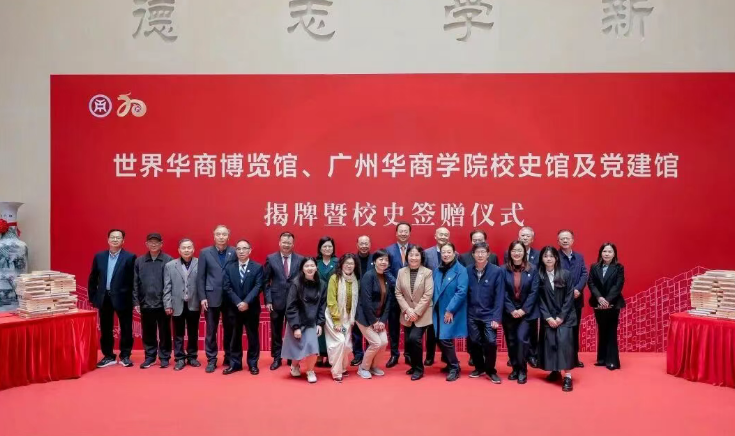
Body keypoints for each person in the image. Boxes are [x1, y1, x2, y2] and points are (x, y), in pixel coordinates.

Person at [87, 229, 136, 368]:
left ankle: (125, 355)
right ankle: (108, 356)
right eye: (112, 237)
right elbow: (93, 277)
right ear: (108, 240)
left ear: (123, 241)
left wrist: (134, 299)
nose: (115, 240)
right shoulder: (99, 257)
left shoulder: (130, 257)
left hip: (123, 297)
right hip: (104, 298)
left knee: (126, 328)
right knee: (106, 328)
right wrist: (93, 297)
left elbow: (133, 280)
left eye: (118, 238)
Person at [197, 225, 237, 373]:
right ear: (214, 236)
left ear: (228, 236)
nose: (221, 237)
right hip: (211, 296)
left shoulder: (234, 252)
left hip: (229, 297)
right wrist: (202, 297)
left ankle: (229, 356)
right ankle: (211, 359)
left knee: (230, 329)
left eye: (224, 234)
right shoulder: (205, 252)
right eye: (218, 234)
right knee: (211, 330)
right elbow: (201, 277)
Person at [537, 246, 577, 392]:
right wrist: (548, 317)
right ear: (541, 259)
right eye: (545, 256)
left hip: (566, 317)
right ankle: (555, 370)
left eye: (551, 256)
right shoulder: (538, 275)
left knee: (564, 344)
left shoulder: (566, 274)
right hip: (548, 317)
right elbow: (538, 299)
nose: (548, 259)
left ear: (556, 258)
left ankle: (567, 376)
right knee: (551, 344)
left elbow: (569, 297)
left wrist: (561, 317)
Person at [222, 239, 264, 375]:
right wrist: (238, 302)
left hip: (251, 308)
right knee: (234, 336)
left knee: (253, 337)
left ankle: (253, 364)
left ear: (250, 250)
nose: (241, 251)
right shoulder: (229, 267)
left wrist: (246, 302)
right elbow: (227, 287)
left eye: (244, 248)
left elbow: (258, 286)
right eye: (238, 249)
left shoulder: (257, 267)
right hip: (234, 308)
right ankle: (235, 364)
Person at [263, 232, 304, 370]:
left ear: (293, 244)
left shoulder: (300, 259)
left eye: (289, 243)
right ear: (279, 243)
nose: (286, 245)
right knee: (276, 331)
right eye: (284, 242)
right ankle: (277, 357)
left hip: (294, 301)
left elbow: (302, 281)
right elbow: (265, 281)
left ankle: (291, 357)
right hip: (276, 301)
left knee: (293, 330)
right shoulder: (271, 258)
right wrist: (268, 300)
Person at [282, 258, 326, 383]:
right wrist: (295, 327)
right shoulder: (296, 283)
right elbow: (291, 306)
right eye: (307, 266)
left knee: (312, 347)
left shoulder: (322, 284)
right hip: (297, 320)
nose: (310, 268)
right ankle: (294, 365)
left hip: (312, 321)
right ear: (302, 268)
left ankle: (310, 371)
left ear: (316, 267)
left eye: (312, 265)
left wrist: (320, 323)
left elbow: (323, 305)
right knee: (297, 348)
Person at [458, 228, 497, 367]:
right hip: (472, 304)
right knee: (473, 337)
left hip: (488, 306)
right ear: (471, 242)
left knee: (489, 339)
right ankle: (475, 358)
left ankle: (488, 363)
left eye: (480, 240)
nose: (477, 242)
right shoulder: (463, 258)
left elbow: (496, 281)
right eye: (475, 240)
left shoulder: (493, 258)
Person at [502, 240, 539, 385]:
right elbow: (502, 292)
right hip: (509, 312)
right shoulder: (503, 269)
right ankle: (515, 369)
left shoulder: (533, 269)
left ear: (524, 253)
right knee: (511, 341)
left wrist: (523, 310)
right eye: (514, 250)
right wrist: (512, 309)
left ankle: (523, 370)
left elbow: (534, 292)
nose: (516, 253)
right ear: (510, 253)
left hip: (526, 312)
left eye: (519, 250)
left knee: (522, 340)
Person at [466, 242, 504, 383]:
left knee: (491, 342)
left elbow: (500, 295)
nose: (480, 255)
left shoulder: (496, 271)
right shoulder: (467, 270)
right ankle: (479, 367)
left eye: (483, 252)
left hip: (489, 315)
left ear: (488, 254)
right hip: (472, 314)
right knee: (474, 342)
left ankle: (490, 370)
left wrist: (496, 317)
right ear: (473, 254)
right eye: (477, 252)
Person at [134, 233, 174, 369]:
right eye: (151, 242)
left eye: (156, 242)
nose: (153, 244)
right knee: (148, 332)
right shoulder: (139, 261)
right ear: (146, 244)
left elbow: (171, 283)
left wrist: (169, 302)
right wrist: (136, 302)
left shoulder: (168, 260)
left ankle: (164, 357)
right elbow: (135, 283)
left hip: (163, 303)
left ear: (161, 244)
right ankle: (150, 357)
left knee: (165, 332)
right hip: (145, 302)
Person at [394, 246, 434, 381]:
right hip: (407, 313)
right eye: (411, 255)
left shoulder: (427, 272)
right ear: (407, 257)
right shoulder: (401, 272)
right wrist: (407, 310)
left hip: (422, 313)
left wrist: (416, 312)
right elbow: (398, 292)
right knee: (408, 342)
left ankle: (419, 369)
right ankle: (414, 365)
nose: (414, 258)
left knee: (414, 339)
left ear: (421, 257)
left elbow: (428, 294)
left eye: (417, 255)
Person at [355, 250, 395, 379]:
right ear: (374, 261)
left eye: (386, 260)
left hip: (379, 317)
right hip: (364, 317)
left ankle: (373, 366)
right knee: (376, 343)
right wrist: (374, 321)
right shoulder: (369, 276)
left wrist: (382, 320)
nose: (384, 262)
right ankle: (363, 368)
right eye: (381, 259)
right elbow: (366, 301)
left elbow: (389, 301)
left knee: (383, 342)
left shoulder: (387, 277)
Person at [163, 238, 201, 371]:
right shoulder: (170, 265)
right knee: (178, 333)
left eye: (189, 247)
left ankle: (192, 356)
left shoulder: (200, 263)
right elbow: (167, 287)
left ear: (193, 249)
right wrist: (167, 304)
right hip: (176, 304)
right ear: (179, 250)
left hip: (194, 302)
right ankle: (179, 358)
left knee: (193, 332)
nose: (186, 250)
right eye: (183, 248)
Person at [432, 243, 468, 382]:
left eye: (449, 252)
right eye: (443, 252)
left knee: (445, 338)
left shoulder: (461, 270)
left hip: (451, 309)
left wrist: (450, 310)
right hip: (437, 310)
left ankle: (454, 367)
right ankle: (449, 363)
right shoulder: (438, 269)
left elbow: (461, 291)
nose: (446, 255)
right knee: (438, 337)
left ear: (454, 253)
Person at [587, 242, 625, 370]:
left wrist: (607, 300)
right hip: (598, 302)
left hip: (613, 303)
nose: (607, 254)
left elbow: (618, 285)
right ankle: (602, 359)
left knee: (611, 330)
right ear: (600, 253)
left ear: (614, 254)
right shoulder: (594, 267)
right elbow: (591, 283)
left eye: (609, 251)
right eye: (604, 251)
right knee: (602, 329)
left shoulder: (618, 267)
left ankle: (612, 361)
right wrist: (599, 297)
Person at [324, 253, 360, 382]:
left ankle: (343, 367)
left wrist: (351, 318)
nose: (349, 266)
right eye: (346, 263)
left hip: (347, 318)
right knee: (339, 342)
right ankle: (336, 371)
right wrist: (336, 321)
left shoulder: (355, 280)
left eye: (352, 263)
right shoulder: (334, 278)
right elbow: (331, 301)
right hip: (333, 317)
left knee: (346, 345)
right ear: (341, 264)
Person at [558, 229, 588, 368]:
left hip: (576, 300)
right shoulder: (555, 256)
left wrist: (578, 289)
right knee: (561, 331)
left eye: (567, 238)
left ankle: (574, 358)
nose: (565, 240)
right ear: (558, 241)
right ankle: (560, 359)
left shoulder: (579, 257)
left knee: (574, 330)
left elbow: (584, 274)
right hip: (560, 301)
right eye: (562, 238)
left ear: (572, 240)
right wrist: (569, 292)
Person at [385, 222, 414, 367]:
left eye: (406, 231)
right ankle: (394, 354)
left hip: (411, 295)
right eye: (400, 231)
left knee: (409, 325)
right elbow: (386, 269)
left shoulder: (415, 250)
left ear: (409, 233)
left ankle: (408, 354)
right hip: (393, 295)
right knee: (393, 326)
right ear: (396, 233)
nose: (403, 233)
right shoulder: (388, 250)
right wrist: (397, 285)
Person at [423, 227, 449, 367]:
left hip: (447, 296)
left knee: (446, 327)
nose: (443, 237)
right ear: (435, 236)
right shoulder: (427, 253)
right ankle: (429, 356)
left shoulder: (454, 253)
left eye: (446, 235)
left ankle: (446, 356)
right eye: (441, 234)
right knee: (431, 328)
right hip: (431, 296)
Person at [316, 236, 338, 367]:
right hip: (317, 299)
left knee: (331, 327)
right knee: (319, 326)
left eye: (330, 246)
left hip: (333, 299)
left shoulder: (338, 262)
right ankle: (319, 354)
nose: (327, 248)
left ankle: (330, 355)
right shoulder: (315, 262)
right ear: (320, 248)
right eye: (324, 246)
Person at [351, 235, 373, 366]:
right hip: (356, 298)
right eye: (361, 243)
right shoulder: (352, 260)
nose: (364, 246)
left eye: (366, 243)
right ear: (357, 245)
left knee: (371, 328)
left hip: (371, 299)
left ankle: (370, 355)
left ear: (370, 244)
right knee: (356, 329)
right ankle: (358, 354)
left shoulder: (375, 259)